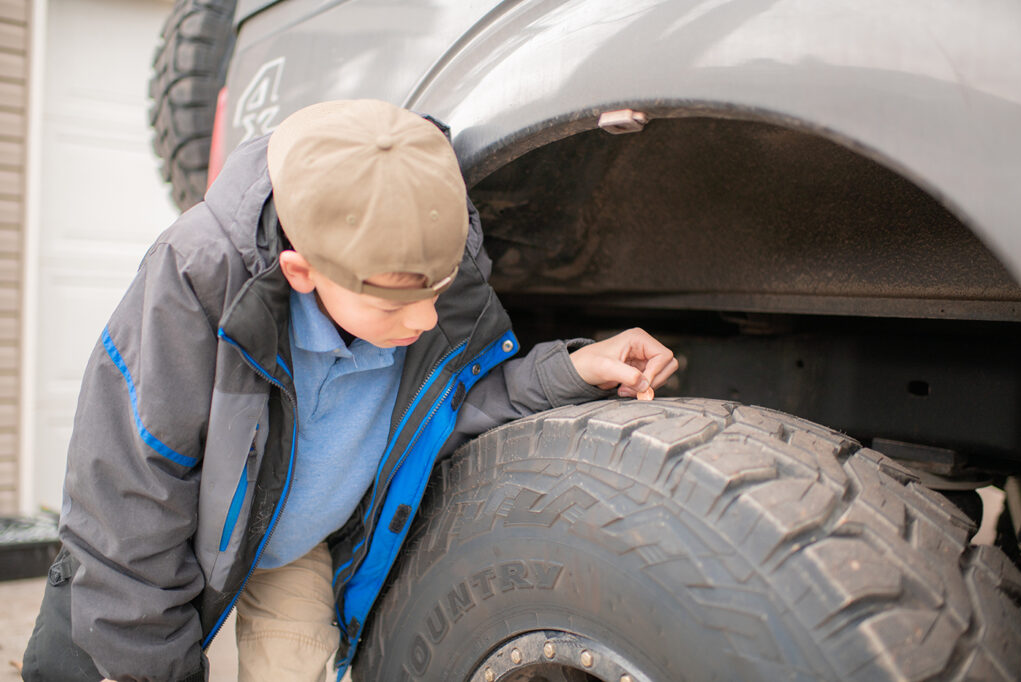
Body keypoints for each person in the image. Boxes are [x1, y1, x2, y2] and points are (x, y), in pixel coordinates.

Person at [21, 100, 678, 682]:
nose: (422, 322)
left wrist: (571, 368)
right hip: (188, 531)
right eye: (395, 307)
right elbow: (131, 490)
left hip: (300, 544)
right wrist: (139, 663)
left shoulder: (417, 260)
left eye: (437, 294)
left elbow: (447, 407)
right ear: (303, 272)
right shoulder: (197, 279)